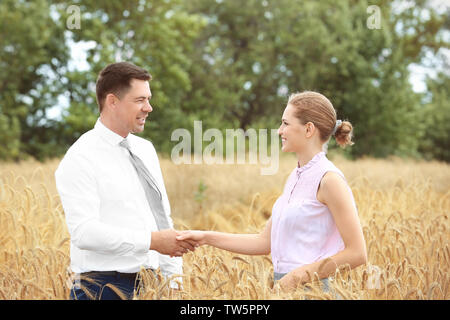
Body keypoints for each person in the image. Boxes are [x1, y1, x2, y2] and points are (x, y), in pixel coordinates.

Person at [177, 91, 367, 292]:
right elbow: (263, 241)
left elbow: (357, 253)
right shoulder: (295, 176)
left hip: (313, 292)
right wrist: (206, 237)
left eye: (285, 123)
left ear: (309, 129)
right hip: (284, 291)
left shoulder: (329, 180)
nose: (279, 131)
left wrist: (296, 277)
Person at [55, 62, 196, 300]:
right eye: (140, 100)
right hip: (100, 288)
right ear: (112, 102)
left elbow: (160, 216)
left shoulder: (146, 150)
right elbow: (84, 233)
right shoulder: (80, 157)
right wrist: (151, 241)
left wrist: (173, 280)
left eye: (148, 99)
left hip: (151, 283)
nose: (149, 108)